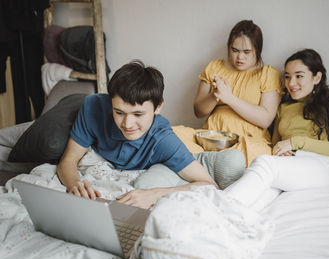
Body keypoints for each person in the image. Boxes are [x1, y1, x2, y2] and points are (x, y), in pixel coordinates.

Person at [57, 60, 222, 209]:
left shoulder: (163, 140)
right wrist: (75, 184)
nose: (127, 124)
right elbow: (68, 160)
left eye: (138, 114)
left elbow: (209, 185)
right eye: (119, 112)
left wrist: (155, 194)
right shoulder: (93, 107)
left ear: (158, 107)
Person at [224, 48, 329, 211]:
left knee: (264, 164)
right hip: (288, 166)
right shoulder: (283, 108)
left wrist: (295, 143)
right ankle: (215, 222)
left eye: (299, 76)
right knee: (262, 196)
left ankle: (215, 209)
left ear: (317, 77)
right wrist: (280, 150)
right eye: (287, 77)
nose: (291, 83)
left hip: (323, 166)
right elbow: (275, 145)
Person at [173, 20, 283, 166]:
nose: (240, 57)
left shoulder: (268, 74)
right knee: (170, 134)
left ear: (258, 50)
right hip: (210, 138)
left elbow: (265, 119)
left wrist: (230, 98)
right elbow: (199, 111)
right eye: (234, 50)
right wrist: (215, 95)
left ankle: (205, 164)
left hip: (247, 142)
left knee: (247, 156)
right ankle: (209, 163)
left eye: (247, 52)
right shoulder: (214, 67)